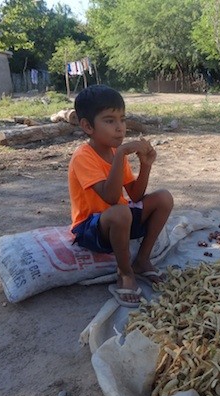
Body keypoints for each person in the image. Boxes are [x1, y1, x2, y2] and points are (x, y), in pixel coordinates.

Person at [69, 84, 174, 307]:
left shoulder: (117, 152)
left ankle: (142, 260)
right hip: (92, 227)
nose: (120, 128)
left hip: (121, 218)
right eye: (110, 121)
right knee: (119, 212)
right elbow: (110, 196)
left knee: (164, 197)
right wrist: (122, 155)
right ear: (88, 126)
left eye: (122, 119)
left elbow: (135, 195)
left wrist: (145, 166)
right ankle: (125, 273)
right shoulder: (83, 157)